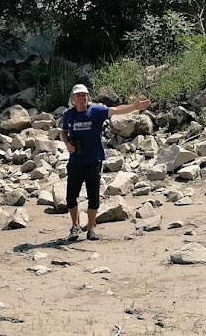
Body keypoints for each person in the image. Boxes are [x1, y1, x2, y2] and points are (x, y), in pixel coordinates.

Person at [60, 84, 151, 241]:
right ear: (73, 98)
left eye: (84, 95)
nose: (81, 98)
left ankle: (90, 229)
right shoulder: (68, 114)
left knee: (93, 196)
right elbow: (63, 132)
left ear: (88, 97)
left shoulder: (95, 111)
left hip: (93, 160)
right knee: (71, 197)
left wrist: (134, 107)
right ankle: (74, 226)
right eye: (78, 95)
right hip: (75, 162)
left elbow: (116, 110)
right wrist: (68, 144)